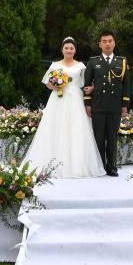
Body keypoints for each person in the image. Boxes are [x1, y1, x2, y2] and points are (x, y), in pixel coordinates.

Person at [24, 37, 105, 177]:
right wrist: (54, 86)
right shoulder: (55, 65)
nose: (68, 50)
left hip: (75, 99)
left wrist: (91, 88)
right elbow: (47, 82)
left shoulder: (81, 66)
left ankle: (77, 166)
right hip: (58, 99)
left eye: (71, 48)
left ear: (75, 50)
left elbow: (86, 82)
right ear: (62, 50)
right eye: (66, 48)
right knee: (55, 127)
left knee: (76, 128)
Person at [83, 31, 131, 176]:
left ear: (114, 43)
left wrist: (125, 104)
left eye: (110, 41)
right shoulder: (93, 62)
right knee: (98, 137)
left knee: (112, 138)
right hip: (98, 104)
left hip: (115, 105)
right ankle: (100, 167)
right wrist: (88, 103)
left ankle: (111, 167)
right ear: (100, 44)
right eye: (104, 41)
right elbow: (87, 84)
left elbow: (126, 85)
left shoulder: (122, 62)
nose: (107, 44)